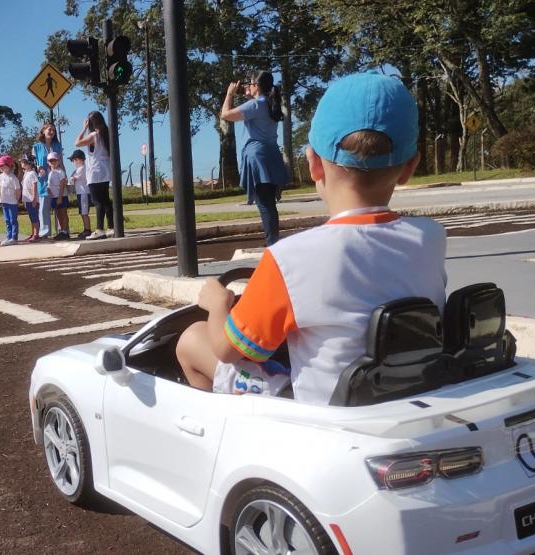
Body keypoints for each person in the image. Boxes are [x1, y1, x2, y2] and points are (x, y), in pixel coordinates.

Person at [176, 72, 447, 406]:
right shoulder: (431, 238)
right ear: (409, 168)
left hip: (319, 414)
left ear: (314, 164)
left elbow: (227, 350)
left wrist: (219, 305)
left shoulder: (290, 259)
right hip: (402, 396)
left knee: (192, 339)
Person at [220, 71, 289, 246]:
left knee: (264, 204)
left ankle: (272, 244)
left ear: (256, 86)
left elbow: (225, 115)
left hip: (258, 157)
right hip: (272, 154)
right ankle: (272, 241)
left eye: (250, 83)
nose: (247, 86)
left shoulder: (255, 106)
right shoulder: (269, 104)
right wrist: (249, 94)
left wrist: (229, 94)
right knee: (269, 203)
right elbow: (254, 108)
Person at [74, 111, 112, 239]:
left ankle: (99, 229)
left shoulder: (94, 135)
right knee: (106, 200)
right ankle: (111, 227)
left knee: (97, 201)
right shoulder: (106, 134)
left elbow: (77, 143)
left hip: (95, 171)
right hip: (105, 170)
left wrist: (83, 128)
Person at [31, 122, 63, 239]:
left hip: (57, 178)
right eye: (49, 129)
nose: (51, 132)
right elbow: (33, 162)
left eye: (53, 130)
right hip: (44, 179)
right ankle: (45, 232)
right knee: (44, 206)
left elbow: (61, 162)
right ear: (43, 131)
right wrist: (39, 167)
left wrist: (64, 177)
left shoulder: (57, 146)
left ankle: (62, 230)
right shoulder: (36, 147)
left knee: (59, 205)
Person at [0, 155, 21, 246]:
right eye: (0, 166)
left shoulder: (13, 178)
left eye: (2, 165)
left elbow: (18, 190)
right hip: (4, 201)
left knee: (13, 220)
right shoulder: (0, 176)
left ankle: (14, 238)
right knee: (7, 220)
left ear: (9, 166)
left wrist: (16, 200)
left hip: (12, 202)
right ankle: (8, 237)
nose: (0, 167)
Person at [68, 149, 92, 240]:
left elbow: (73, 179)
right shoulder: (79, 169)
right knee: (82, 212)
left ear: (78, 159)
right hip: (81, 193)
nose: (73, 162)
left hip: (83, 193)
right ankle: (86, 229)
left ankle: (87, 229)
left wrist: (71, 178)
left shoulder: (82, 168)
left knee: (84, 212)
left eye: (73, 160)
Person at [46, 151, 70, 239]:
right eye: (51, 161)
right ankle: (62, 230)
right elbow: (49, 184)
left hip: (61, 196)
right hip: (54, 196)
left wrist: (60, 197)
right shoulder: (50, 173)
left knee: (63, 213)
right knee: (58, 214)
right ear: (48, 163)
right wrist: (48, 189)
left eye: (54, 160)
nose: (53, 162)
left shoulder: (60, 172)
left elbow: (62, 184)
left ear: (58, 161)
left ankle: (65, 231)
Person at [19, 156, 40, 242]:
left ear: (29, 164)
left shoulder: (33, 173)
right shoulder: (26, 173)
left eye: (23, 162)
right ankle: (32, 233)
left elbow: (34, 186)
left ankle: (36, 234)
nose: (22, 164)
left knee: (34, 217)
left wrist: (34, 198)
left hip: (32, 199)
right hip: (27, 199)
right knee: (31, 217)